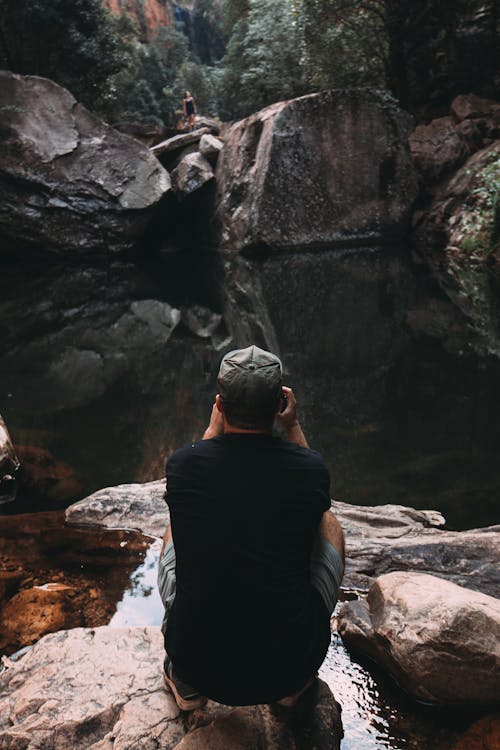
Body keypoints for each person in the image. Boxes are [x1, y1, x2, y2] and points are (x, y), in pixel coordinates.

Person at [158, 345, 345, 710]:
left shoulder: (184, 465)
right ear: (279, 404)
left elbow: (193, 485)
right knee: (329, 523)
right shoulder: (308, 470)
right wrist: (291, 426)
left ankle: (184, 685)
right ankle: (296, 689)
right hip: (288, 671)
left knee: (176, 520)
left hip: (198, 667)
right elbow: (316, 499)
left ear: (220, 404)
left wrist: (211, 431)